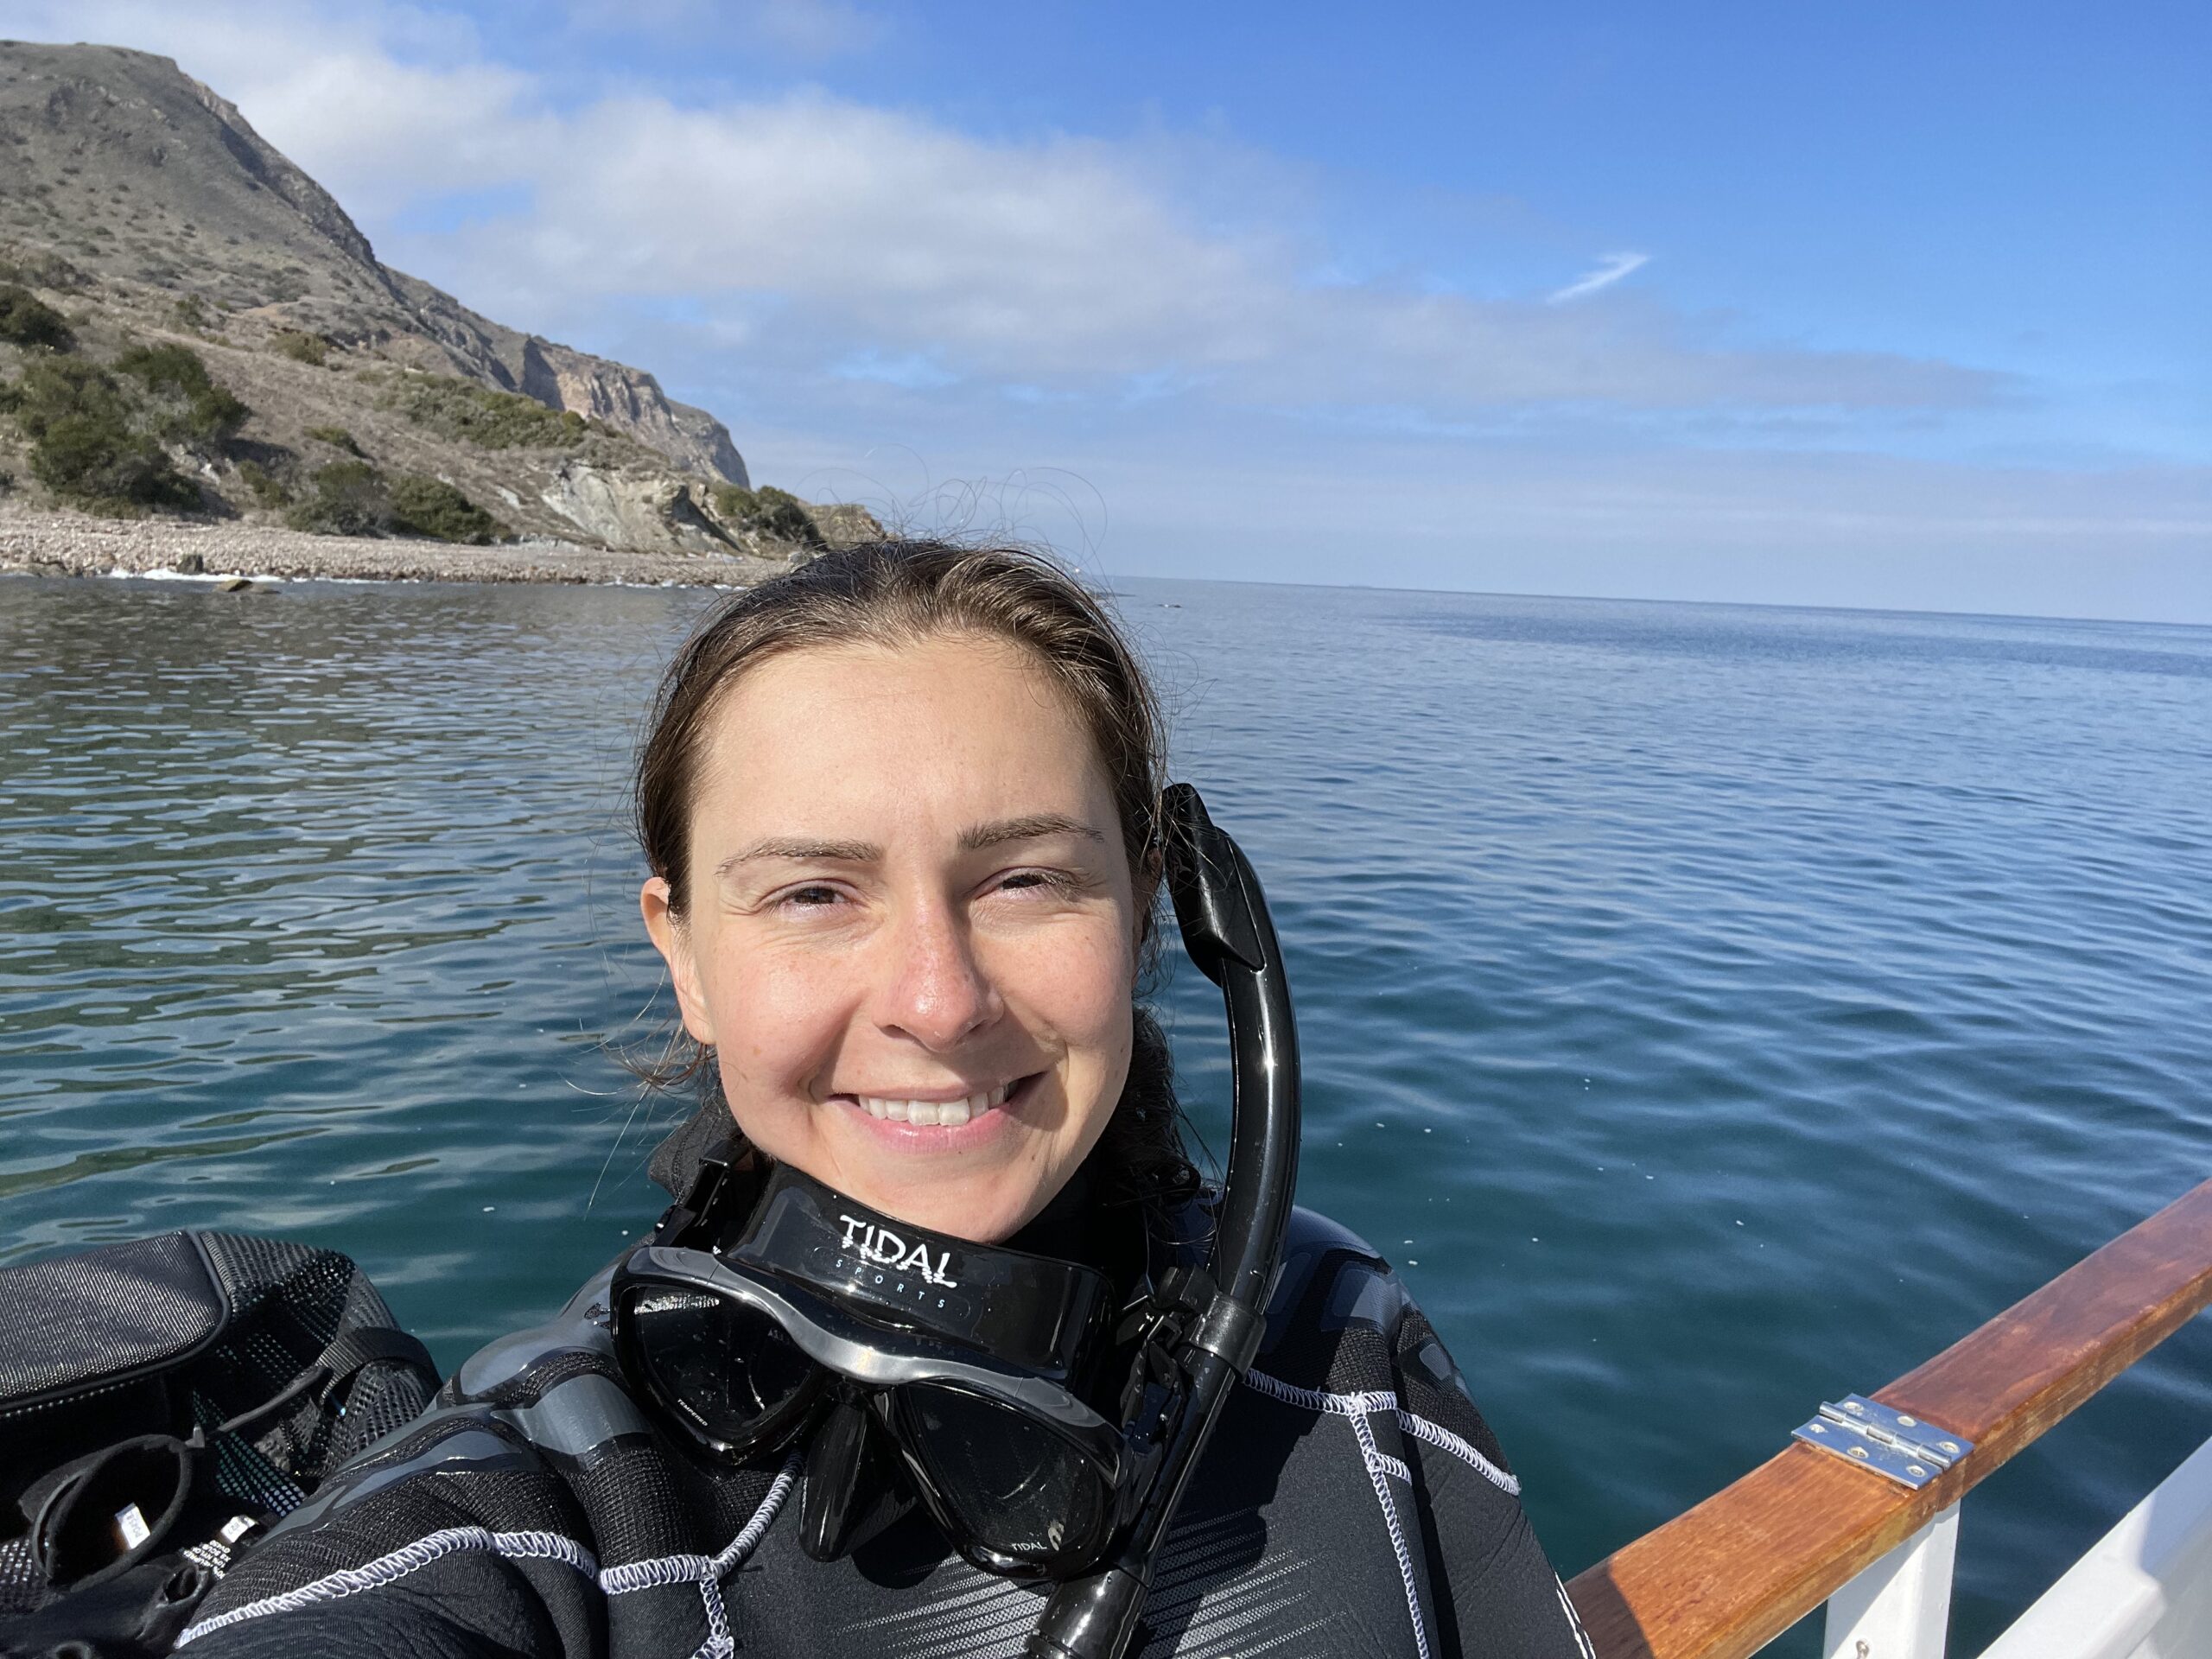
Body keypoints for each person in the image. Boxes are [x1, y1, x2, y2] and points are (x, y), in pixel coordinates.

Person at [173, 542, 1594, 1658]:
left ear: (1152, 911)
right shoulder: (536, 1506)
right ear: (685, 955)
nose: (939, 996)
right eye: (813, 892)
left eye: (1026, 878)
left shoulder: (1339, 1338)